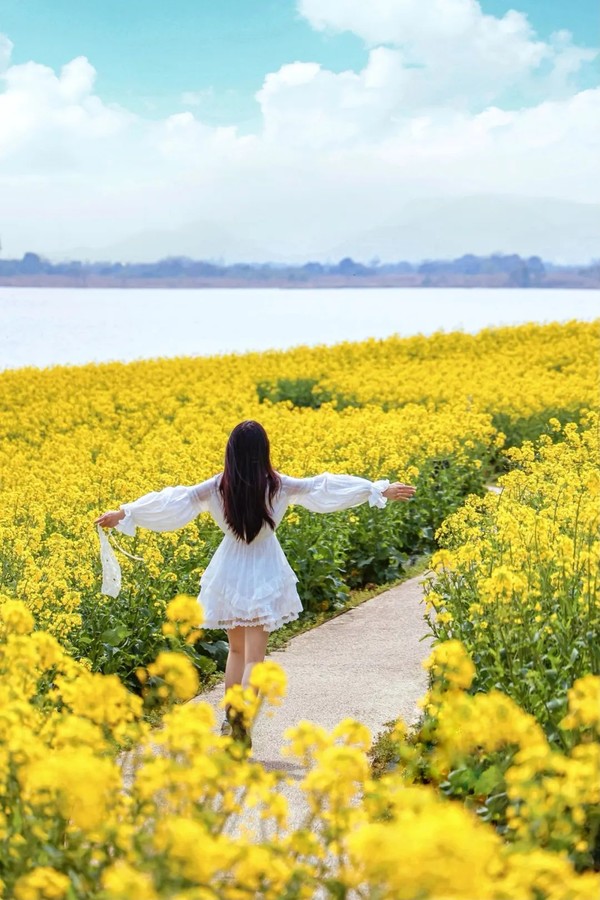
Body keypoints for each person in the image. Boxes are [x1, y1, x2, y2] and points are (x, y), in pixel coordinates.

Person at [94, 419, 416, 745]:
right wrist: (376, 489)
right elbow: (323, 487)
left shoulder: (217, 487)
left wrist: (125, 513)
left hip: (229, 569)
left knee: (235, 650)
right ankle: (241, 722)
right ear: (264, 452)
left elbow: (172, 502)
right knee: (254, 659)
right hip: (265, 568)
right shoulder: (279, 485)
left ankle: (231, 718)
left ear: (230, 453)